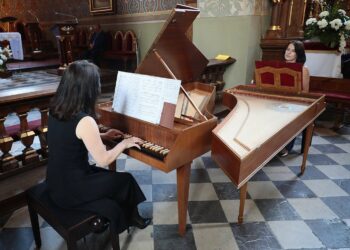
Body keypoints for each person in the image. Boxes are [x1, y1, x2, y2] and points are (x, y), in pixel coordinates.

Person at [46, 60, 151, 234]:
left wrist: (103, 135)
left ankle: (125, 215)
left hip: (56, 181)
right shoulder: (85, 121)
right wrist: (124, 143)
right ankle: (132, 218)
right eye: (97, 84)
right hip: (73, 187)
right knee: (126, 180)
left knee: (113, 180)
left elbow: (70, 138)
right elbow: (103, 160)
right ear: (88, 89)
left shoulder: (56, 108)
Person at [280, 40, 310, 157]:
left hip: (297, 102)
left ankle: (285, 145)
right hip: (281, 99)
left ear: (298, 54)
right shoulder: (280, 67)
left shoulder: (303, 69)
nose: (289, 53)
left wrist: (290, 100)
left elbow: (305, 92)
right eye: (288, 49)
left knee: (287, 113)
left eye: (293, 51)